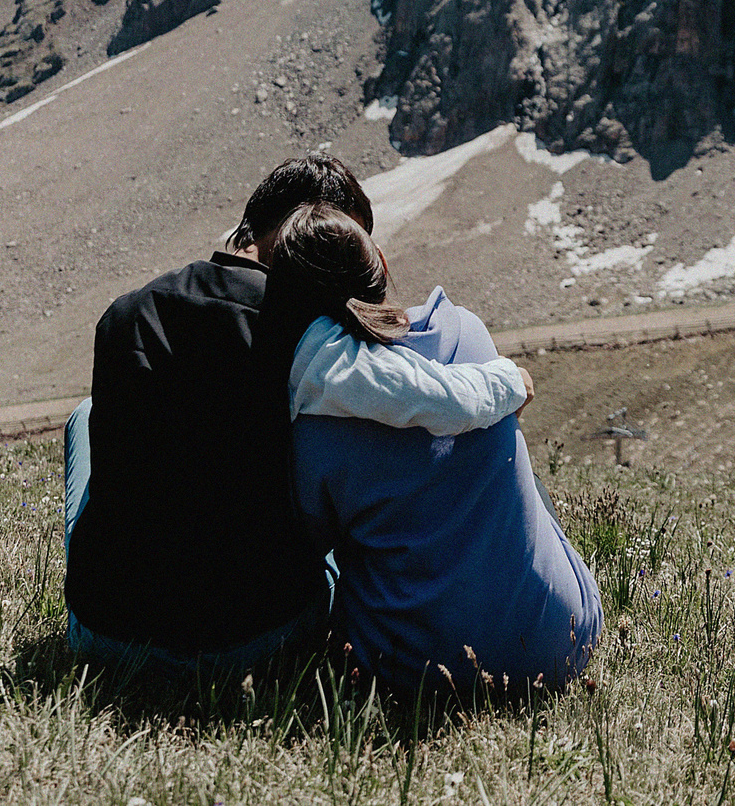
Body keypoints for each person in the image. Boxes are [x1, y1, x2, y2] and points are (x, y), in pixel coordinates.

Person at [61, 156, 527, 680]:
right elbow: (423, 397)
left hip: (103, 635)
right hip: (250, 643)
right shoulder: (301, 330)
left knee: (86, 416)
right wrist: (508, 381)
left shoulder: (125, 312)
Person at [271, 203, 603, 694]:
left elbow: (310, 546)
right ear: (381, 265)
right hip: (562, 644)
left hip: (414, 674)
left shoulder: (314, 424)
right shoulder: (465, 331)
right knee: (520, 478)